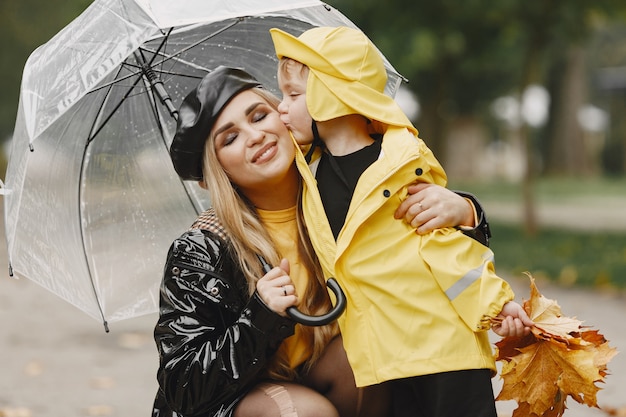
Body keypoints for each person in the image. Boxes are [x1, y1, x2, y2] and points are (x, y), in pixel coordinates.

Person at [152, 66, 484, 417]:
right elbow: (182, 383)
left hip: (319, 377)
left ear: (283, 117)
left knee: (371, 355)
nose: (254, 136)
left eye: (260, 116)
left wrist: (465, 212)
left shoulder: (342, 198)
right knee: (305, 413)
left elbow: (432, 272)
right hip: (237, 401)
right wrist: (259, 317)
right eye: (229, 138)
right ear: (215, 171)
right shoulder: (203, 249)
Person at [269, 26, 534, 417]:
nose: (281, 107)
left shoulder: (399, 164)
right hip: (387, 356)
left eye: (293, 95)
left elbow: (442, 243)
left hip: (445, 349)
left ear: (332, 94)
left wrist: (497, 303)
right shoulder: (309, 171)